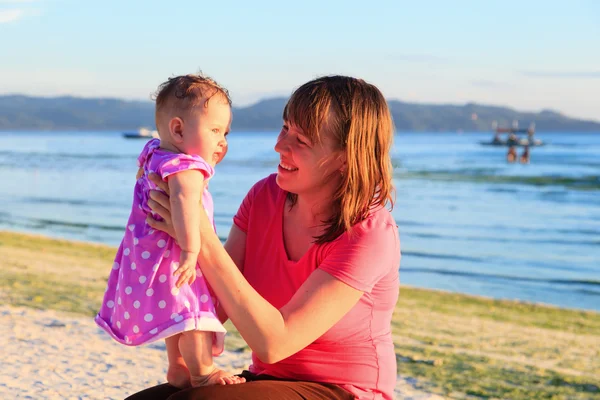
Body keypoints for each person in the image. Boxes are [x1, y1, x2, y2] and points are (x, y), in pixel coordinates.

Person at [126, 75, 401, 400]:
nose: (279, 145)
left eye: (302, 140)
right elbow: (215, 304)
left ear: (344, 157)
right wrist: (174, 220)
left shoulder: (369, 232)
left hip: (344, 390)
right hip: (267, 379)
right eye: (286, 128)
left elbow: (274, 343)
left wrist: (201, 237)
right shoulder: (264, 197)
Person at [95, 74, 244, 388]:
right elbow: (184, 203)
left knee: (176, 313)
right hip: (175, 255)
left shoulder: (154, 153)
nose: (222, 141)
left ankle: (177, 367)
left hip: (145, 253)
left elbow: (142, 178)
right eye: (215, 130)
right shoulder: (185, 168)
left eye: (226, 132)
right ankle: (203, 371)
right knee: (193, 314)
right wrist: (192, 251)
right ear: (178, 129)